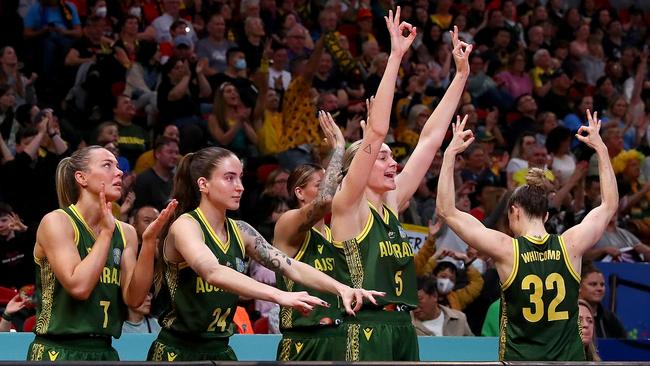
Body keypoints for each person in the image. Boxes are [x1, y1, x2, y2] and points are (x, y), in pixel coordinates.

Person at [147, 146, 381, 362]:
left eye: (240, 177)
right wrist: (280, 295)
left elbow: (291, 265)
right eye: (229, 178)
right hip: (177, 351)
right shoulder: (185, 225)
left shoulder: (241, 231)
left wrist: (341, 288)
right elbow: (211, 271)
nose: (240, 186)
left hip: (220, 349)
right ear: (203, 184)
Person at [330, 11, 471, 359]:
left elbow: (430, 139)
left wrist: (461, 75)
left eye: (393, 157)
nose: (393, 162)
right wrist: (395, 57)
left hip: (402, 326)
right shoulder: (348, 203)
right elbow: (376, 134)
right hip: (364, 326)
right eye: (383, 158)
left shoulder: (392, 203)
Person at [436, 110, 617, 361]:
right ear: (545, 216)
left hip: (521, 360)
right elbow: (609, 205)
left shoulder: (506, 249)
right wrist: (601, 149)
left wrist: (449, 155)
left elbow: (446, 211)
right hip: (569, 361)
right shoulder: (571, 244)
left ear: (513, 211)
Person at [26, 146, 177, 361]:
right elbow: (79, 286)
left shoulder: (126, 232)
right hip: (56, 350)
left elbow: (134, 299)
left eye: (117, 166)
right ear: (81, 177)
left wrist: (149, 243)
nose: (119, 172)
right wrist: (106, 233)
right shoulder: (57, 222)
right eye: (107, 165)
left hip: (105, 350)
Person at [274, 111, 350, 360]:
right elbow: (326, 200)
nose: (328, 187)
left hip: (339, 335)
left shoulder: (335, 231)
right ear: (299, 192)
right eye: (319, 184)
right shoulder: (287, 224)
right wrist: (339, 147)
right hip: (302, 340)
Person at [578, 264, 627, 339]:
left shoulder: (611, 319)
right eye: (593, 284)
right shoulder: (569, 316)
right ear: (579, 287)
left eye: (602, 285)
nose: (599, 288)